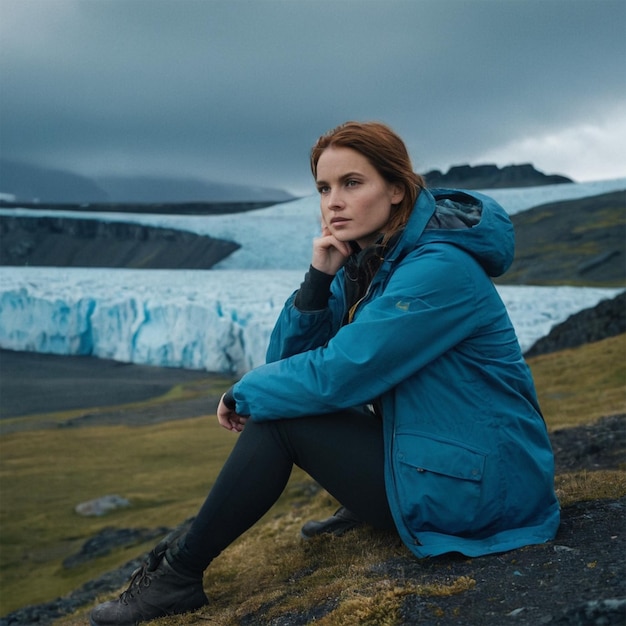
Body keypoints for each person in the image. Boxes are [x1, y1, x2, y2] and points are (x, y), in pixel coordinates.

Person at [90, 121, 560, 626]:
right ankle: (193, 568)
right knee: (289, 401)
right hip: (448, 465)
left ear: (397, 190)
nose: (333, 201)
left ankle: (178, 574)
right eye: (324, 188)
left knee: (282, 421)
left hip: (484, 492)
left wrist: (241, 391)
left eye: (352, 183)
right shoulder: (373, 262)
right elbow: (287, 365)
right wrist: (317, 282)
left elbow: (340, 375)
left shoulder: (439, 270)